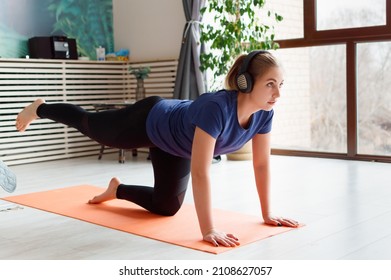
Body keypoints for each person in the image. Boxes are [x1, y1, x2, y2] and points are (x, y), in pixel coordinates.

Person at [15, 50, 299, 247]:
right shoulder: (217, 109)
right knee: (93, 127)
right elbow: (201, 173)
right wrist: (208, 229)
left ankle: (117, 190)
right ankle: (41, 108)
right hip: (151, 119)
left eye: (281, 84)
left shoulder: (265, 112)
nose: (278, 94)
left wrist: (267, 214)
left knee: (166, 208)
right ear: (245, 82)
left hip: (175, 146)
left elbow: (261, 164)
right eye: (270, 84)